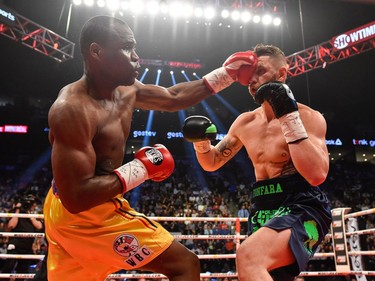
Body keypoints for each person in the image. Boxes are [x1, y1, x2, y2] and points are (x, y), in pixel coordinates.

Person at [43, 15, 257, 281]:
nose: (136, 57)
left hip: (66, 211)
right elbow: (76, 197)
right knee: (185, 266)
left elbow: (173, 98)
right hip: (84, 212)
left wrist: (227, 75)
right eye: (127, 47)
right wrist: (141, 168)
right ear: (96, 51)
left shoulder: (127, 89)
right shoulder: (73, 109)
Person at [182, 44, 332, 281]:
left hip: (301, 203)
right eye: (249, 72)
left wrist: (287, 115)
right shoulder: (245, 122)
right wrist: (201, 143)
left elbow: (317, 175)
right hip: (262, 207)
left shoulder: (309, 117)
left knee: (250, 257)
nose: (252, 78)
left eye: (260, 70)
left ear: (281, 74)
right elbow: (212, 162)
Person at [1, 195, 43, 281]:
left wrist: (30, 215)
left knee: (22, 271)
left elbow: (39, 226)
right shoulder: (15, 212)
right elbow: (11, 225)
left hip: (27, 247)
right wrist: (17, 210)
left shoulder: (33, 215)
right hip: (15, 244)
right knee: (9, 266)